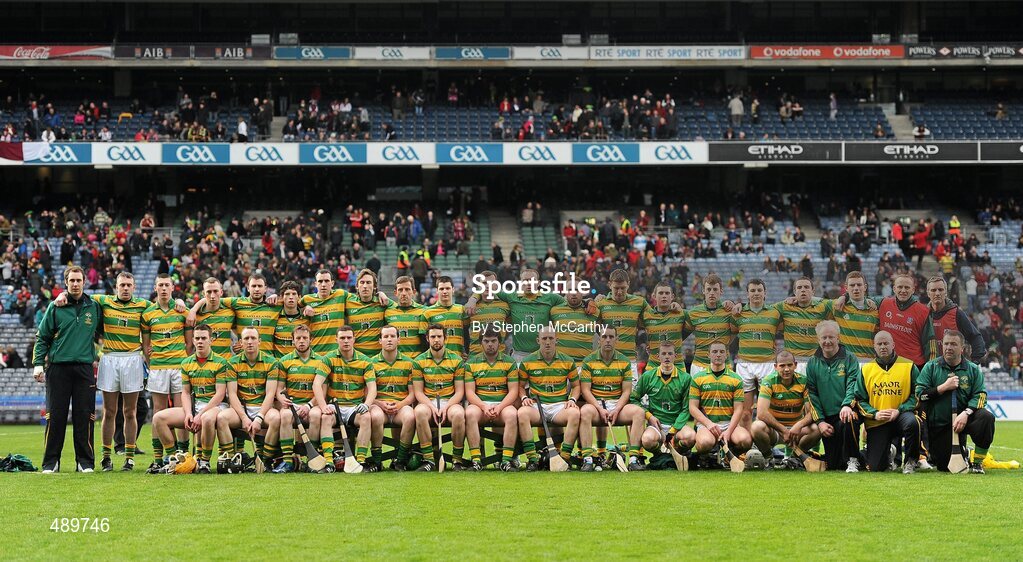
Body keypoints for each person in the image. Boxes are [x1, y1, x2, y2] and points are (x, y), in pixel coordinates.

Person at [34, 266, 103, 473]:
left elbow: (116, 305)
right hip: (58, 369)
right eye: (71, 280)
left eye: (78, 280)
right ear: (66, 283)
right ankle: (51, 463)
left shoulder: (94, 307)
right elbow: (42, 337)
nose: (75, 284)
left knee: (85, 416)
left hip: (84, 369)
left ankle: (85, 462)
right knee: (55, 417)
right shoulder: (55, 307)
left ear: (84, 282)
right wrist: (38, 364)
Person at [149, 324, 228, 474]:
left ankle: (204, 462)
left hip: (216, 407)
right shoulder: (186, 363)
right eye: (197, 338)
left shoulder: (221, 362)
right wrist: (188, 413)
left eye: (203, 338)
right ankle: (175, 459)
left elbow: (220, 394)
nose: (200, 341)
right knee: (158, 418)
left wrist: (199, 414)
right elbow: (185, 393)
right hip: (196, 407)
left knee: (207, 419)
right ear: (192, 340)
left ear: (211, 340)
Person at [916, 330, 994, 474]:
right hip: (940, 424)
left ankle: (977, 462)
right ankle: (965, 452)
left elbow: (981, 395)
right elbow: (920, 395)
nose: (948, 347)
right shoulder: (931, 367)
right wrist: (943, 387)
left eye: (953, 344)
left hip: (965, 419)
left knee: (986, 417)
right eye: (946, 344)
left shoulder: (972, 369)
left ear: (962, 348)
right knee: (944, 467)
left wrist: (966, 413)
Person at [141, 273, 193, 468]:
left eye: (166, 285)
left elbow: (189, 344)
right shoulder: (148, 314)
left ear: (172, 287)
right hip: (158, 368)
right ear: (155, 288)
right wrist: (153, 363)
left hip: (179, 367)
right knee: (159, 411)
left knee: (182, 411)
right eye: (160, 285)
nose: (163, 288)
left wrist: (182, 361)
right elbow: (146, 347)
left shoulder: (182, 311)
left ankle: (183, 454)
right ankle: (159, 458)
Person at [579, 326, 647, 471]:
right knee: (584, 411)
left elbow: (626, 391)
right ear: (599, 340)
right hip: (596, 405)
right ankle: (588, 459)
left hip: (617, 404)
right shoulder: (588, 361)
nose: (608, 340)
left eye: (611, 337)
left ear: (617, 339)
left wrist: (616, 409)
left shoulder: (624, 361)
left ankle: (634, 459)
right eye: (604, 337)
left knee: (639, 412)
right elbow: (585, 391)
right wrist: (599, 408)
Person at [314, 325, 381, 472]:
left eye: (349, 338)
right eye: (342, 338)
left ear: (354, 340)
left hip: (354, 407)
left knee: (366, 417)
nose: (346, 341)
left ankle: (361, 462)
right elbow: (317, 384)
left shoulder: (365, 361)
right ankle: (329, 462)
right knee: (325, 418)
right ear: (336, 340)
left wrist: (367, 404)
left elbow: (372, 388)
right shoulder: (328, 358)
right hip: (335, 405)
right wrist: (323, 406)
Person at [516, 325, 582, 471]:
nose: (547, 342)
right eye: (544, 338)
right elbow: (520, 386)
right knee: (522, 413)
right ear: (538, 340)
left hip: (559, 406)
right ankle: (532, 459)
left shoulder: (567, 361)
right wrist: (523, 397)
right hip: (537, 406)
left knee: (575, 413)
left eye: (551, 338)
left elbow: (576, 386)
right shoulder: (527, 361)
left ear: (556, 340)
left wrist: (572, 400)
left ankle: (565, 458)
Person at [855, 331, 921, 474]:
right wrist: (875, 414)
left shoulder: (909, 365)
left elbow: (917, 395)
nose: (883, 347)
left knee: (912, 423)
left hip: (901, 416)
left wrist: (900, 409)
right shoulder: (866, 369)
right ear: (874, 347)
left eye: (886, 343)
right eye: (879, 344)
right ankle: (890, 451)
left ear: (893, 345)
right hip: (878, 421)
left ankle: (910, 461)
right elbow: (860, 399)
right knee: (876, 467)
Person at [216, 327, 282, 470]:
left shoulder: (271, 362)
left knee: (276, 418)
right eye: (246, 338)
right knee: (221, 418)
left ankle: (265, 460)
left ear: (259, 341)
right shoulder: (232, 362)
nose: (250, 342)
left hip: (263, 408)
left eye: (253, 338)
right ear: (241, 342)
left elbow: (270, 394)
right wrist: (244, 417)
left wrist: (259, 418)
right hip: (241, 409)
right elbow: (232, 394)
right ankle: (231, 460)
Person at [802, 321, 861, 471]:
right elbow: (812, 395)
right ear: (818, 340)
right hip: (826, 419)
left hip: (845, 412)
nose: (827, 341)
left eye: (831, 337)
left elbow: (853, 384)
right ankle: (867, 455)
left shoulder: (850, 358)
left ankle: (853, 460)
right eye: (824, 338)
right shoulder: (812, 363)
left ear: (838, 338)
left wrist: (847, 405)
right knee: (835, 465)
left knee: (850, 418)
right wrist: (820, 421)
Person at [463, 326, 520, 471]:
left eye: (493, 341)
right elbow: (469, 392)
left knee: (512, 414)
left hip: (502, 404)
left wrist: (499, 407)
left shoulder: (510, 362)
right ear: (480, 343)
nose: (490, 344)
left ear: (499, 343)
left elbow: (513, 391)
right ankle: (476, 460)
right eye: (486, 341)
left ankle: (506, 460)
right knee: (469, 413)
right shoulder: (471, 363)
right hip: (480, 405)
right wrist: (484, 406)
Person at [631, 341, 695, 470]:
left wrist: (673, 430)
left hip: (677, 425)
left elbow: (686, 408)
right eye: (663, 354)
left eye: (670, 354)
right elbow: (633, 399)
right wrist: (649, 416)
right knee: (647, 440)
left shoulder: (686, 378)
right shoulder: (648, 376)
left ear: (675, 356)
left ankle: (676, 450)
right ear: (658, 356)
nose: (667, 357)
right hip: (656, 425)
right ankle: (659, 455)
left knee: (691, 437)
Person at [412, 324, 467, 471]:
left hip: (450, 401)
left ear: (445, 338)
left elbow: (459, 392)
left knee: (459, 414)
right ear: (427, 339)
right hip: (428, 401)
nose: (436, 340)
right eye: (433, 337)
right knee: (419, 412)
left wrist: (446, 408)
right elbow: (418, 393)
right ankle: (429, 460)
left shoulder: (457, 360)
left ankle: (457, 460)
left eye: (439, 336)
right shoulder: (418, 361)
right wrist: (432, 407)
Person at [751, 351, 821, 465]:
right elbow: (761, 413)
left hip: (796, 431)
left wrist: (799, 425)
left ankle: (795, 458)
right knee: (756, 427)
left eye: (789, 365)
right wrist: (783, 430)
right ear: (775, 367)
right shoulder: (768, 381)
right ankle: (769, 459)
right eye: (782, 366)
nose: (786, 369)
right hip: (775, 431)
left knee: (817, 428)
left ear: (795, 365)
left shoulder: (804, 381)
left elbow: (812, 412)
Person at [731, 278, 782, 427]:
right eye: (752, 290)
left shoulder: (774, 313)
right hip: (745, 364)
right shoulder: (738, 313)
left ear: (765, 293)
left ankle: (765, 441)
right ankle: (745, 441)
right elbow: (731, 332)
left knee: (765, 413)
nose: (756, 293)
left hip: (768, 364)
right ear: (747, 294)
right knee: (745, 413)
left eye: (759, 290)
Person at [689, 342, 751, 459]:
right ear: (708, 354)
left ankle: (730, 455)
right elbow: (692, 407)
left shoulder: (736, 379)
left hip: (728, 424)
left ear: (726, 355)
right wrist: (709, 424)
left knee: (745, 440)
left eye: (722, 352)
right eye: (714, 352)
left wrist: (728, 432)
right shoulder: (698, 378)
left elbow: (738, 409)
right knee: (704, 443)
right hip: (707, 424)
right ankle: (709, 456)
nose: (718, 354)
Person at [370, 326, 418, 471]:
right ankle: (377, 462)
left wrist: (399, 405)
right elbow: (367, 394)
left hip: (400, 406)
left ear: (399, 339)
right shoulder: (371, 363)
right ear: (380, 340)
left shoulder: (409, 363)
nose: (389, 339)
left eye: (392, 336)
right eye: (385, 337)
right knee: (375, 417)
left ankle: (400, 460)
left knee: (410, 417)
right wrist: (380, 404)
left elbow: (412, 394)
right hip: (379, 406)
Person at [879, 273, 935, 369]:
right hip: (888, 364)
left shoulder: (923, 311)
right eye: (900, 287)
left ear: (913, 289)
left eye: (907, 287)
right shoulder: (883, 304)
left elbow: (930, 343)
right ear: (894, 289)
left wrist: (931, 369)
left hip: (913, 366)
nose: (903, 291)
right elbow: (862, 301)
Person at [926, 276, 986, 363]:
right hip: (930, 368)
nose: (937, 293)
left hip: (953, 367)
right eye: (933, 290)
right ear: (928, 293)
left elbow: (975, 337)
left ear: (946, 292)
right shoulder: (923, 315)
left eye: (941, 290)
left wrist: (975, 361)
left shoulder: (957, 313)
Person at [683, 274, 734, 375]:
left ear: (721, 291)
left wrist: (738, 304)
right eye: (709, 289)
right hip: (699, 365)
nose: (712, 293)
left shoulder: (729, 311)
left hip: (724, 365)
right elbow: (680, 337)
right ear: (703, 291)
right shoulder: (694, 313)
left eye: (715, 289)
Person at [834, 271, 879, 364]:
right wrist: (843, 296)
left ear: (865, 287)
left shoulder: (875, 310)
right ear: (846, 288)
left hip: (869, 361)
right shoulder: (838, 306)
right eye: (852, 285)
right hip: (846, 362)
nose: (856, 288)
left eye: (859, 285)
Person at [466, 270, 508, 357]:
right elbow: (463, 330)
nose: (487, 286)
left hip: (499, 357)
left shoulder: (505, 306)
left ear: (496, 285)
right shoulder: (470, 306)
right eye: (484, 283)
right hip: (475, 357)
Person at [385, 276, 428, 358]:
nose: (404, 293)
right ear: (395, 293)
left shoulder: (425, 311)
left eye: (407, 289)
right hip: (396, 362)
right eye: (400, 290)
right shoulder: (388, 312)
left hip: (417, 361)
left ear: (414, 292)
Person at [423, 275, 467, 356]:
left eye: (447, 288)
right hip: (437, 359)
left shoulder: (461, 310)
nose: (445, 291)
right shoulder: (428, 312)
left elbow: (467, 334)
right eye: (441, 289)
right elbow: (424, 340)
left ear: (453, 290)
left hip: (458, 359)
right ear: (437, 291)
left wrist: (466, 352)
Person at [193, 277, 235, 358]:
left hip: (225, 363)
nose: (212, 296)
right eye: (209, 292)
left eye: (215, 291)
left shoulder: (230, 313)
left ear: (221, 292)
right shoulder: (195, 315)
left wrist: (238, 345)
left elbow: (239, 333)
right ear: (203, 294)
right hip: (204, 363)